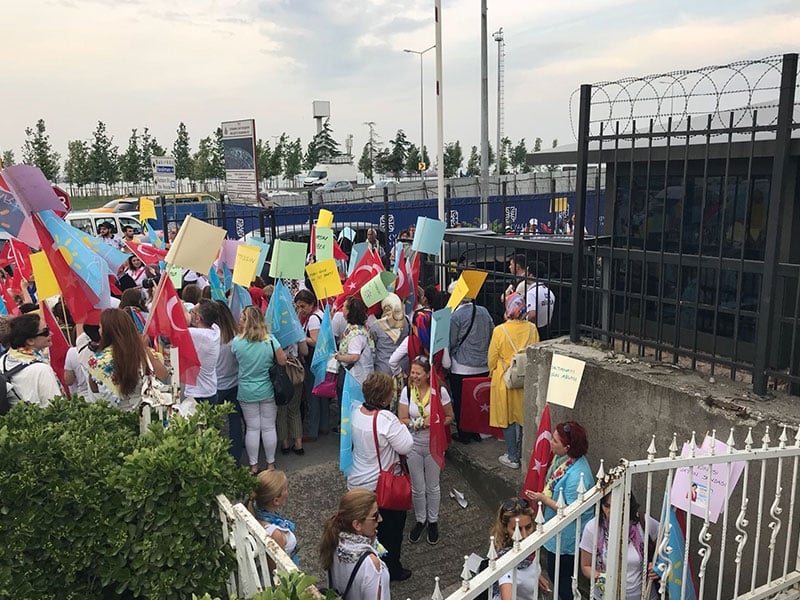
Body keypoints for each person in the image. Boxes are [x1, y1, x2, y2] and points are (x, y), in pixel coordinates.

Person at [347, 373, 413, 582]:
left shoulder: (356, 410)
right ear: (386, 397)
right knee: (390, 531)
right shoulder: (386, 419)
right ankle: (390, 568)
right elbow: (406, 445)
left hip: (356, 480)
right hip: (380, 485)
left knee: (362, 530)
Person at [525, 421, 595, 600]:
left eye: (555, 441)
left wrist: (544, 499)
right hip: (556, 529)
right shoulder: (564, 459)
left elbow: (570, 510)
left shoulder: (577, 476)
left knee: (562, 579)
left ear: (568, 447)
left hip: (566, 537)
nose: (551, 442)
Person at [398, 356, 454, 546]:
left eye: (418, 373)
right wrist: (418, 423)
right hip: (413, 444)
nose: (413, 376)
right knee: (417, 486)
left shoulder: (439, 392)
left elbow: (449, 416)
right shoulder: (407, 392)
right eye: (412, 372)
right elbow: (402, 418)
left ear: (428, 374)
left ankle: (433, 521)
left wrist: (436, 423)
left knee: (433, 485)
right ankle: (420, 520)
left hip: (434, 444)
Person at [232, 305, 287, 474]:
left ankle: (254, 465)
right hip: (267, 389)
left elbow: (235, 361)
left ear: (246, 321)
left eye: (242, 318)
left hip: (246, 390)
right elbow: (283, 361)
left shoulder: (237, 342)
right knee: (269, 427)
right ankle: (270, 464)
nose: (239, 321)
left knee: (252, 428)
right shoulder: (270, 340)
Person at [488, 293, 539, 469]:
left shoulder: (499, 331)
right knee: (524, 416)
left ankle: (512, 456)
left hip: (505, 378)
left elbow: (491, 359)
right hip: (525, 377)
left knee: (507, 418)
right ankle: (524, 455)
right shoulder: (532, 328)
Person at [579, 493, 660, 600]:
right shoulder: (592, 528)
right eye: (606, 506)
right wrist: (602, 580)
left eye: (617, 505)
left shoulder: (643, 522)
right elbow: (585, 566)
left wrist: (658, 566)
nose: (610, 511)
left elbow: (668, 545)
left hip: (644, 595)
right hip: (606, 596)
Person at [87, 308, 168, 411]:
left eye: (100, 327)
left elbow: (95, 390)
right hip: (148, 415)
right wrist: (143, 349)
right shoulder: (144, 352)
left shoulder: (98, 360)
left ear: (107, 331)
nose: (99, 330)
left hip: (116, 418)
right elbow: (164, 375)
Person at [320, 488, 391, 599]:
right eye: (375, 516)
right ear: (357, 525)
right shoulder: (370, 564)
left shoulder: (334, 540)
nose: (380, 519)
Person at [448, 292, 494, 443]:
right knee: (478, 402)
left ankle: (464, 434)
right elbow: (492, 332)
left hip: (462, 365)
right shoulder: (484, 311)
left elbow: (452, 341)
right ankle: (478, 432)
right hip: (483, 363)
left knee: (462, 403)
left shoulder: (456, 317)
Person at [490, 498, 552, 600]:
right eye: (517, 529)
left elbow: (529, 567)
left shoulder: (531, 545)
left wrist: (537, 576)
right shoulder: (505, 564)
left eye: (528, 527)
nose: (524, 535)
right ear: (505, 528)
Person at [2, 313, 63, 408]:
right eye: (45, 331)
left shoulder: (3, 360)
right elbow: (56, 408)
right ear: (30, 341)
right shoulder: (41, 370)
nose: (51, 333)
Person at [295, 290, 329, 441]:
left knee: (313, 395)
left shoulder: (313, 319)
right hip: (321, 359)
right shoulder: (320, 314)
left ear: (311, 304)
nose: (300, 310)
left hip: (313, 359)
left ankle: (311, 430)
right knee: (321, 394)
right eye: (298, 306)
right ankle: (323, 425)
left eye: (303, 306)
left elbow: (315, 341)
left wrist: (301, 336)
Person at [248, 470, 300, 565]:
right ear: (276, 501)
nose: (287, 493)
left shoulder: (254, 509)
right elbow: (278, 570)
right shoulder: (275, 535)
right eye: (285, 489)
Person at [214, 301, 243, 466]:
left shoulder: (211, 337)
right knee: (234, 421)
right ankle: (235, 457)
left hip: (216, 386)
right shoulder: (236, 337)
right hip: (234, 382)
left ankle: (216, 456)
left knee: (214, 423)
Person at [334, 296, 374, 386]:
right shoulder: (352, 327)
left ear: (350, 311)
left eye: (344, 306)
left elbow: (354, 357)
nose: (342, 309)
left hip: (356, 377)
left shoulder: (357, 335)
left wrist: (339, 357)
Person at [186, 299, 221, 403]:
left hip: (198, 394)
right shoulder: (215, 329)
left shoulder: (200, 335)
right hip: (210, 390)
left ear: (198, 318)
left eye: (192, 311)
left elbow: (175, 329)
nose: (190, 312)